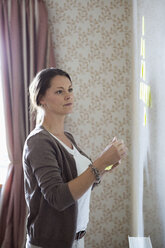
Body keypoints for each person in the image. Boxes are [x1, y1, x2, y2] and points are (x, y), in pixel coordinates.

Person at [22, 68, 127, 248]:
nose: (68, 96)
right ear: (41, 99)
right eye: (59, 91)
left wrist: (105, 166)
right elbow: (58, 198)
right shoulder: (39, 142)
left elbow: (81, 185)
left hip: (77, 239)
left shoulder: (67, 137)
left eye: (70, 89)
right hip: (50, 243)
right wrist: (100, 162)